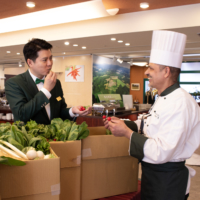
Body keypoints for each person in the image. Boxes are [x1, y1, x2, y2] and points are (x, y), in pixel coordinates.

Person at [104, 30, 200, 200]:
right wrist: (125, 123)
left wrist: (127, 133)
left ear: (166, 72)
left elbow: (162, 151)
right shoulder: (163, 96)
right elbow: (151, 124)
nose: (146, 72)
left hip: (168, 183)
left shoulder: (180, 103)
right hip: (153, 177)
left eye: (151, 68)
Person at [5, 38, 92, 124]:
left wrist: (72, 111)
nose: (50, 63)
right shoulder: (14, 83)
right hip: (29, 137)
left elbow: (60, 111)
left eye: (50, 58)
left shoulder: (56, 83)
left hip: (54, 137)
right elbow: (21, 115)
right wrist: (46, 90)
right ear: (30, 62)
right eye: (44, 60)